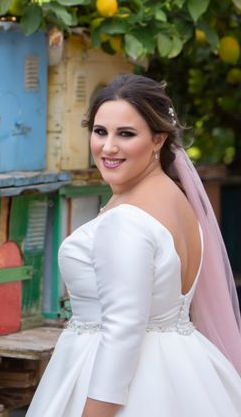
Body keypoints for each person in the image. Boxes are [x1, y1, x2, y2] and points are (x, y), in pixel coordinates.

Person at [26, 74, 241, 417]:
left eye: (125, 134)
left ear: (158, 140)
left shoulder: (126, 219)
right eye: (100, 132)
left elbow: (123, 330)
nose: (108, 147)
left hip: (125, 385)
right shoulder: (179, 202)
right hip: (186, 371)